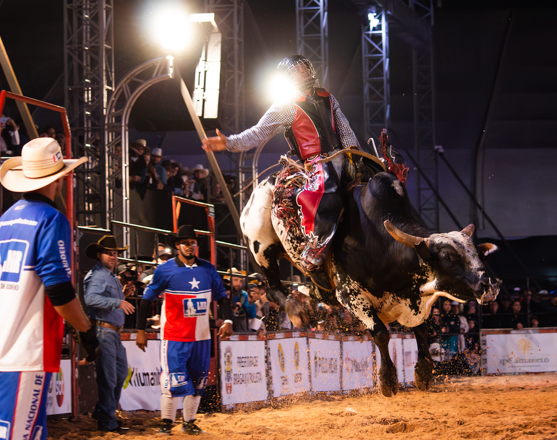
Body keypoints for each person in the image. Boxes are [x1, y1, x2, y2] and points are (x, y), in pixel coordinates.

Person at [202, 55, 360, 292]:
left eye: (305, 68)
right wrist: (229, 143)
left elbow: (345, 130)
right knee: (327, 190)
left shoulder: (328, 97)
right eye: (298, 71)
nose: (304, 73)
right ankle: (315, 246)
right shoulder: (286, 105)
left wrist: (356, 155)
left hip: (342, 155)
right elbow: (257, 133)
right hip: (316, 163)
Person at [0, 137, 99, 440]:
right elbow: (57, 289)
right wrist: (86, 330)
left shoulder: (5, 220)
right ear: (59, 177)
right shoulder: (51, 219)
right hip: (27, 350)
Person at [135, 225, 234, 435]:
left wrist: (228, 321)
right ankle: (166, 424)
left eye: (193, 242)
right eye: (186, 243)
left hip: (201, 338)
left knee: (198, 381)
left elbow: (222, 297)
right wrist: (140, 330)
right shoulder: (165, 269)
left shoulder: (208, 269)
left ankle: (189, 423)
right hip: (174, 337)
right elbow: (146, 300)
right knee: (172, 382)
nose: (190, 246)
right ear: (178, 245)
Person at [83, 235, 135, 432]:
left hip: (112, 332)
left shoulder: (108, 275)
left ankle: (104, 412)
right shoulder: (97, 275)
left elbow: (101, 299)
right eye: (109, 253)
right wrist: (117, 301)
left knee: (119, 374)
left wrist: (123, 295)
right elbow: (90, 299)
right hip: (104, 331)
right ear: (99, 255)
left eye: (115, 254)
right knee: (110, 377)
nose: (114, 257)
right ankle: (107, 420)